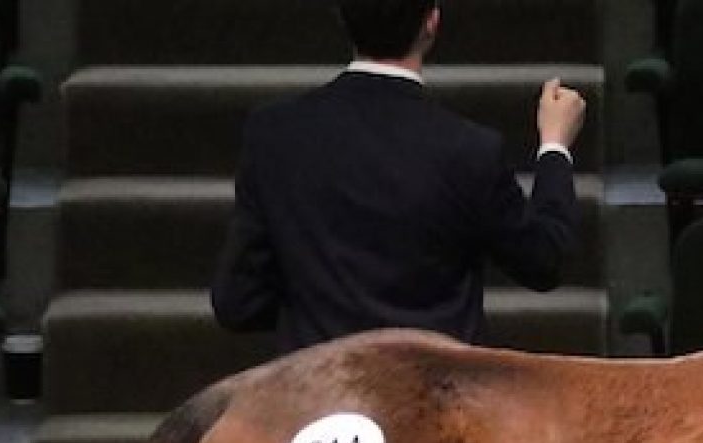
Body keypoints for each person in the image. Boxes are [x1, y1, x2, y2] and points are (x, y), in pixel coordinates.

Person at [211, 0, 586, 351]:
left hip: (319, 400)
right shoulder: (468, 149)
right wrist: (554, 146)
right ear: (432, 22)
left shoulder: (275, 134)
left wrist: (314, 310)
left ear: (342, 19)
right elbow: (544, 261)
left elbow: (237, 304)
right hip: (440, 407)